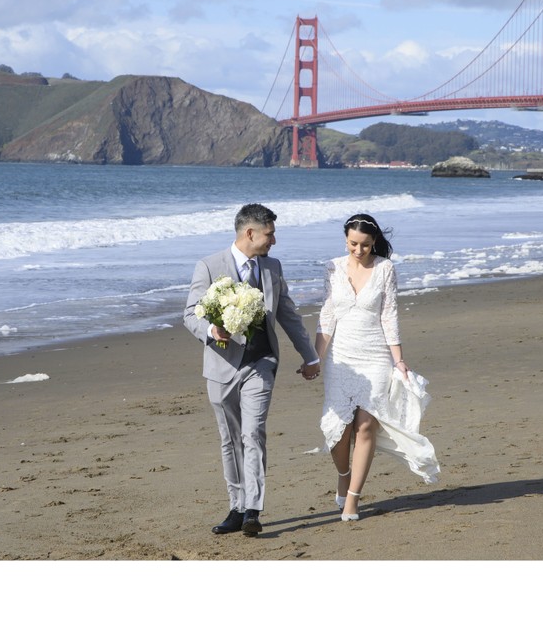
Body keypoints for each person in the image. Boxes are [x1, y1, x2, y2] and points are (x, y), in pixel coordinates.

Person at [184, 203, 320, 537]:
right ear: (250, 233)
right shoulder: (209, 266)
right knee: (230, 439)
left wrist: (310, 355)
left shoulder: (272, 267)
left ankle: (253, 512)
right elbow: (190, 314)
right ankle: (236, 507)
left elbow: (287, 314)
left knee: (253, 433)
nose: (273, 241)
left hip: (261, 364)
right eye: (269, 234)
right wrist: (212, 331)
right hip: (221, 366)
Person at [315, 213, 439, 523]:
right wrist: (315, 358)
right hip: (341, 358)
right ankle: (344, 474)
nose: (359, 251)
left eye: (366, 245)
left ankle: (353, 499)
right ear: (346, 240)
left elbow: (389, 316)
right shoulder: (332, 267)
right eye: (354, 244)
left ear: (374, 243)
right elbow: (327, 317)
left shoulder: (385, 268)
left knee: (366, 425)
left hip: (375, 356)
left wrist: (398, 359)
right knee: (337, 430)